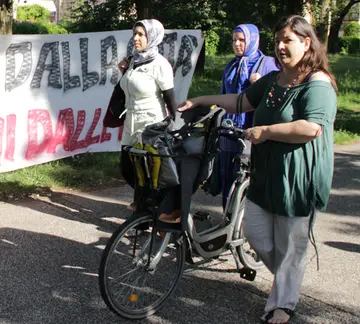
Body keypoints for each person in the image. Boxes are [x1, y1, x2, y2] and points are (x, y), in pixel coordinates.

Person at [178, 15, 337, 324]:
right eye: (277, 40)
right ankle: (289, 276)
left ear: (306, 43)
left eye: (287, 40)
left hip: (298, 177)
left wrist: (265, 132)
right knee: (256, 234)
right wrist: (201, 100)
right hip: (265, 172)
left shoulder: (317, 82)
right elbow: (240, 102)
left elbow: (311, 128)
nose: (280, 46)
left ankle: (282, 305)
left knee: (292, 244)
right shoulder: (275, 79)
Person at [116, 19, 178, 213]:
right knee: (128, 168)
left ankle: (144, 211)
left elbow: (169, 97)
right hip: (131, 121)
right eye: (135, 34)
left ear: (152, 37)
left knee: (148, 171)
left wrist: (175, 125)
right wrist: (123, 72)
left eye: (141, 34)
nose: (136, 38)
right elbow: (126, 88)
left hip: (150, 124)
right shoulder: (133, 60)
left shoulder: (160, 65)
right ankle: (148, 203)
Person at [218, 24, 279, 210]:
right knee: (227, 173)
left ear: (253, 40)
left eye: (242, 40)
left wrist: (260, 83)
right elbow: (223, 94)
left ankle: (246, 222)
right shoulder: (231, 65)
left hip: (252, 126)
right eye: (234, 39)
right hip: (230, 128)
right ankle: (227, 218)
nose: (237, 44)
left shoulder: (268, 64)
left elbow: (278, 96)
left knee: (246, 175)